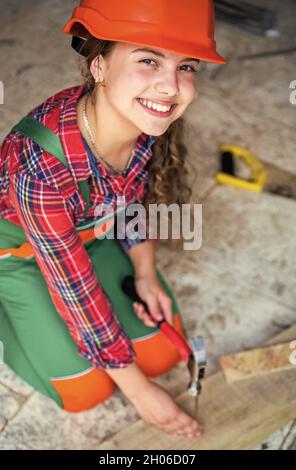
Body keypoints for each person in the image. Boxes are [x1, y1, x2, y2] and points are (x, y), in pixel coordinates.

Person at [0, 0, 226, 439]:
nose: (170, 87)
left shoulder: (144, 121)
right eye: (148, 60)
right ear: (99, 67)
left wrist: (145, 272)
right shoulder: (40, 165)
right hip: (21, 255)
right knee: (86, 391)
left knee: (159, 354)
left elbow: (133, 200)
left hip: (90, 236)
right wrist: (141, 394)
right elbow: (74, 289)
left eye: (187, 67)